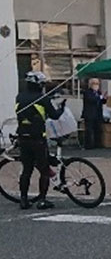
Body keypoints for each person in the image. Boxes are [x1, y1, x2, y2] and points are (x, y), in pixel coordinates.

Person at [15, 71, 65, 210]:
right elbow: (55, 116)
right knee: (44, 169)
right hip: (37, 138)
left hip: (23, 137)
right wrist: (62, 107)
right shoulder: (42, 98)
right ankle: (42, 199)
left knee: (27, 170)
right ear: (38, 84)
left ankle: (23, 200)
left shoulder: (19, 97)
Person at [81, 77, 106, 150]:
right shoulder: (87, 92)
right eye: (94, 83)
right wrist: (100, 97)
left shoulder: (98, 93)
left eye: (97, 83)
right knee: (89, 130)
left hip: (98, 114)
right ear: (90, 84)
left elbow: (102, 102)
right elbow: (91, 100)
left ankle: (98, 144)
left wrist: (104, 98)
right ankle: (88, 145)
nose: (96, 85)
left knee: (98, 129)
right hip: (89, 114)